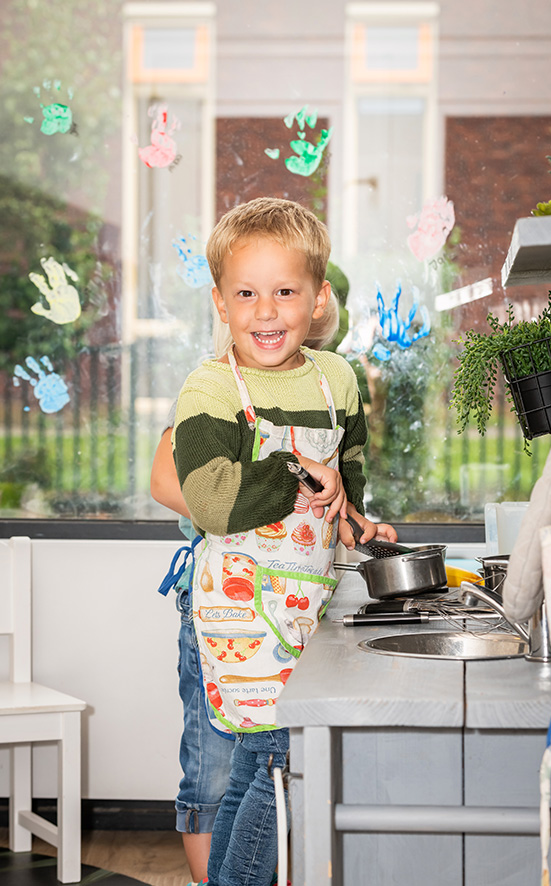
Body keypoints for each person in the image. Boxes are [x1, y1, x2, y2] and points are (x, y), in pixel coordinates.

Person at [171, 196, 397, 886]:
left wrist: (357, 519)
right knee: (273, 761)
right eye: (246, 293)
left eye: (284, 292)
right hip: (239, 607)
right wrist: (303, 470)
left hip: (302, 600)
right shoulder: (210, 388)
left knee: (253, 763)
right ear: (219, 301)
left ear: (317, 298)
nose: (265, 312)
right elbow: (210, 501)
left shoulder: (335, 379)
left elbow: (344, 475)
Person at [150, 291, 342, 885]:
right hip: (227, 602)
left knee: (253, 763)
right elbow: (166, 479)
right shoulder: (219, 393)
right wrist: (271, 495)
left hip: (279, 601)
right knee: (218, 768)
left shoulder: (322, 390)